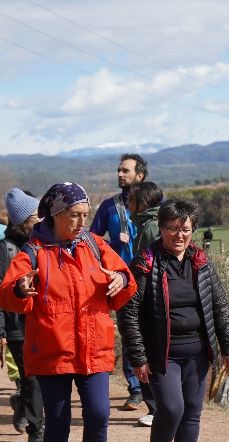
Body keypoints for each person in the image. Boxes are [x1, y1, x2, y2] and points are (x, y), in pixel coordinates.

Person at [0, 182, 136, 442]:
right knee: (58, 423)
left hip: (94, 348)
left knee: (100, 414)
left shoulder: (94, 244)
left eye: (85, 215)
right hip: (51, 352)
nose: (80, 222)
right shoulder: (33, 251)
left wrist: (119, 281)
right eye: (74, 215)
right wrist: (20, 288)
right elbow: (4, 295)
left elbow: (125, 279)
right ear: (56, 214)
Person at [118, 198, 229, 442]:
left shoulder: (202, 262)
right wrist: (138, 356)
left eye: (185, 229)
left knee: (192, 412)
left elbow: (221, 307)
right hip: (162, 354)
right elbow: (129, 313)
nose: (179, 235)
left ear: (192, 230)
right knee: (171, 409)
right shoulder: (145, 263)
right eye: (171, 229)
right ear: (161, 229)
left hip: (198, 354)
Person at [0, 188, 44, 442]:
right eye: (35, 216)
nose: (40, 219)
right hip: (17, 325)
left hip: (45, 322)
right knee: (32, 376)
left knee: (43, 376)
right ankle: (37, 429)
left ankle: (23, 403)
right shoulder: (5, 250)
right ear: (21, 222)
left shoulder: (44, 245)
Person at [89, 153, 146, 412]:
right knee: (130, 331)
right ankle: (135, 389)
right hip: (122, 279)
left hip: (152, 278)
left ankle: (156, 387)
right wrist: (114, 244)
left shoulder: (156, 203)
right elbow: (91, 241)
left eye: (125, 170)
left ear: (140, 176)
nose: (120, 174)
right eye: (119, 170)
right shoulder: (108, 206)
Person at [125, 180, 164, 427]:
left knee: (145, 351)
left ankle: (156, 410)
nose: (128, 203)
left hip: (149, 299)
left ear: (143, 202)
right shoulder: (147, 225)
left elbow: (148, 267)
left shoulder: (149, 228)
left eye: (132, 199)